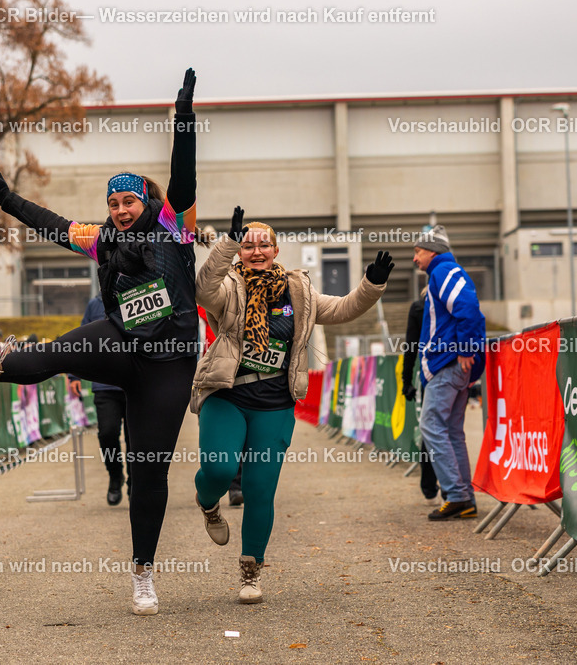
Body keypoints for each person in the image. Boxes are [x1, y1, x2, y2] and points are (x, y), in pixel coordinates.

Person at [0, 68, 199, 616]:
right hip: (121, 342)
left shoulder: (174, 224)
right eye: (113, 204)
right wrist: (11, 203)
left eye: (128, 203)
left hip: (168, 361)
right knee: (58, 350)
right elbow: (54, 224)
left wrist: (183, 120)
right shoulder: (103, 239)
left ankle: (143, 572)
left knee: (149, 473)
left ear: (145, 202)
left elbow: (183, 178)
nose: (120, 211)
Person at [192, 209, 392, 604]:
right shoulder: (228, 287)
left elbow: (342, 309)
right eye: (247, 246)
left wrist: (373, 284)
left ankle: (251, 569)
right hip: (227, 394)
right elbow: (202, 289)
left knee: (259, 489)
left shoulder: (297, 290)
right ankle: (207, 502)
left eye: (263, 244)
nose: (256, 251)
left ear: (276, 249)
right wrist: (225, 244)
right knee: (218, 468)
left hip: (274, 404)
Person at [412, 225, 486, 521]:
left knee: (431, 427)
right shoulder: (446, 271)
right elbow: (468, 310)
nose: (415, 259)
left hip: (448, 362)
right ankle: (463, 497)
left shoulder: (443, 270)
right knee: (452, 431)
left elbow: (468, 309)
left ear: (432, 251)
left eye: (417, 252)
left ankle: (457, 495)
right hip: (455, 363)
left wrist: (467, 348)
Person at [68, 295, 130, 506]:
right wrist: (74, 375)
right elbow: (81, 341)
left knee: (136, 440)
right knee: (107, 433)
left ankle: (136, 484)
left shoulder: (140, 294)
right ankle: (115, 476)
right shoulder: (95, 304)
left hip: (136, 384)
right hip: (105, 385)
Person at [402, 287, 441, 506]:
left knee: (431, 430)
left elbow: (410, 347)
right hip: (452, 372)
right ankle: (454, 490)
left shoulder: (419, 307)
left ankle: (430, 488)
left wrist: (406, 382)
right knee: (451, 432)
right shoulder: (454, 300)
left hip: (432, 375)